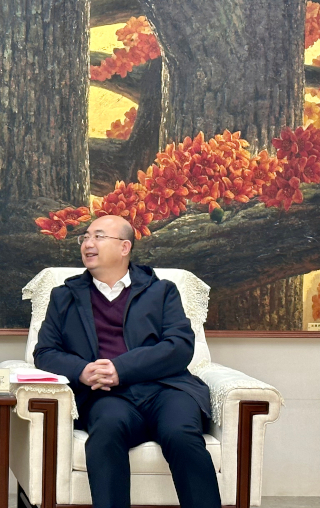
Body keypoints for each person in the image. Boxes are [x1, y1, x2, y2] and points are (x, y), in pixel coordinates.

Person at [33, 215, 220, 508]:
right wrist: (82, 371)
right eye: (85, 237)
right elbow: (45, 352)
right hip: (107, 396)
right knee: (106, 431)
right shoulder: (64, 296)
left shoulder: (162, 291)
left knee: (180, 434)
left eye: (98, 236)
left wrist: (121, 368)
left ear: (124, 247)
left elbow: (180, 346)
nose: (88, 243)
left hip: (166, 390)